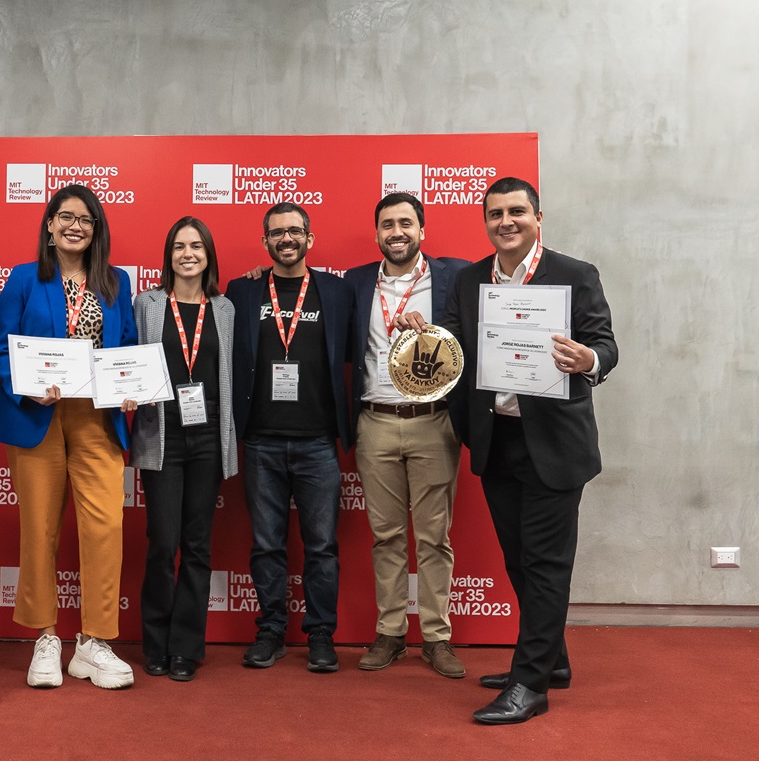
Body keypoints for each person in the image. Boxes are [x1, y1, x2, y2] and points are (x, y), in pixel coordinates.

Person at [404, 177, 617, 724]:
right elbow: (450, 346)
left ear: (537, 217)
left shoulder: (574, 275)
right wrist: (422, 334)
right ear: (486, 221)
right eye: (495, 213)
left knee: (545, 565)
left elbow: (606, 346)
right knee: (521, 562)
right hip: (497, 439)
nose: (506, 222)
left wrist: (586, 360)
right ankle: (552, 662)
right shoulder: (473, 279)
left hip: (555, 446)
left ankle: (530, 684)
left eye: (516, 212)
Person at [0, 184, 139, 690]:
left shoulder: (117, 281)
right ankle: (46, 638)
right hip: (37, 418)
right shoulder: (25, 279)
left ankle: (93, 642)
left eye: (86, 219)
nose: (75, 226)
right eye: (65, 217)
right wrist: (31, 387)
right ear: (49, 225)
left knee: (104, 529)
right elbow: (1, 353)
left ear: (97, 230)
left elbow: (128, 347)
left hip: (98, 417)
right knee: (40, 527)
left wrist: (130, 387)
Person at [225, 202, 353, 673]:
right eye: (277, 233)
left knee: (321, 546)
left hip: (319, 441)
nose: (286, 239)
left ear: (309, 238)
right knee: (266, 545)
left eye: (295, 231)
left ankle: (320, 633)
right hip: (259, 440)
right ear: (265, 242)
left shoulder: (337, 292)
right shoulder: (241, 291)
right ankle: (271, 631)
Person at [344, 192, 469, 678]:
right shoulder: (354, 283)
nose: (396, 232)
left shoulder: (453, 276)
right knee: (386, 536)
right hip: (374, 422)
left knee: (435, 537)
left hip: (434, 422)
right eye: (387, 224)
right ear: (377, 233)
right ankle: (391, 633)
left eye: (405, 223)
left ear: (422, 230)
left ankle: (437, 638)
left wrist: (436, 333)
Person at [131, 217, 237, 683]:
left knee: (197, 545)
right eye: (179, 246)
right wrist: (126, 390)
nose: (187, 254)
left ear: (209, 254)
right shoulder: (148, 304)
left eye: (196, 246)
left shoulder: (226, 308)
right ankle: (155, 643)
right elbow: (127, 357)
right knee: (163, 543)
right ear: (168, 255)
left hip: (210, 434)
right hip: (163, 434)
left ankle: (186, 648)